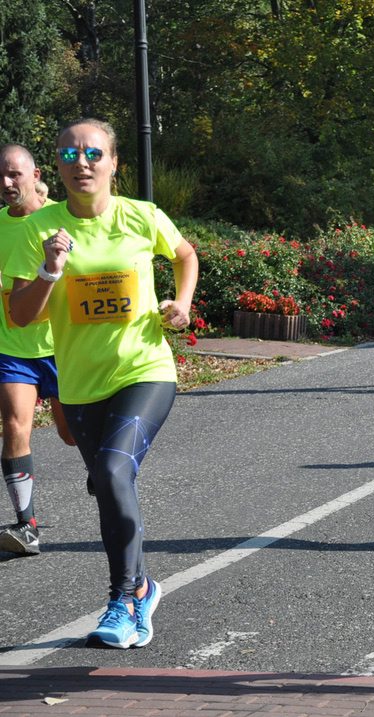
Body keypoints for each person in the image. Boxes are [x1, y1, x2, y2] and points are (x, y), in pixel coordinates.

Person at [9, 118, 198, 649]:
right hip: (80, 385)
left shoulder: (142, 215)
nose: (82, 163)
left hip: (144, 369)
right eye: (69, 155)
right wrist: (50, 270)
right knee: (112, 486)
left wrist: (182, 303)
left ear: (114, 163)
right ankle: (144, 586)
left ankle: (124, 599)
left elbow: (184, 254)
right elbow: (20, 316)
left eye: (93, 153)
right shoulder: (37, 229)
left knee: (113, 471)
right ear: (57, 166)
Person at [0, 145, 76, 556]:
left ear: (35, 175)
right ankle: (25, 525)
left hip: (63, 345)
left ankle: (104, 470)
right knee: (15, 425)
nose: (6, 183)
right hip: (13, 347)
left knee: (71, 434)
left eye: (14, 174)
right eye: (0, 176)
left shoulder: (62, 221)